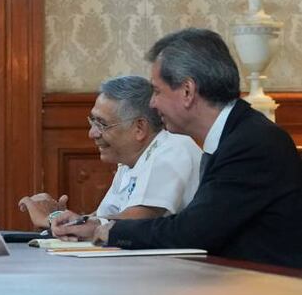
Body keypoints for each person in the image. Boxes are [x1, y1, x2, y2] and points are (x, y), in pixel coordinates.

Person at [52, 28, 302, 268]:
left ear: (187, 91)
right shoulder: (234, 135)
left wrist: (107, 231)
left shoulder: (252, 143)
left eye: (157, 91)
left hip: (270, 294)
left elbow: (193, 231)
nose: (152, 103)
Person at [18, 75, 201, 229]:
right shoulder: (130, 162)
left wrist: (54, 221)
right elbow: (104, 219)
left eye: (102, 124)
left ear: (139, 128)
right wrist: (58, 216)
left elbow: (137, 222)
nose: (92, 133)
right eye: (92, 122)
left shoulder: (173, 150)